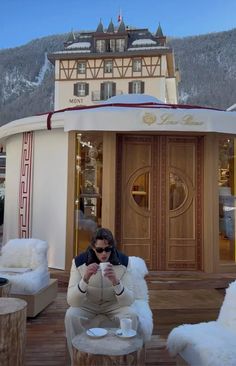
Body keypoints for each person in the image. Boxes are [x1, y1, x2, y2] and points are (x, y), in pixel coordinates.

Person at [65, 227, 138, 360]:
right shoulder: (79, 262)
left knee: (131, 315)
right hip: (89, 304)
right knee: (71, 315)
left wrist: (115, 281)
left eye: (108, 249)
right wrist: (85, 278)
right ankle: (76, 359)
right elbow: (72, 301)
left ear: (112, 248)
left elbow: (129, 301)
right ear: (93, 248)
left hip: (113, 304)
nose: (104, 254)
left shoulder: (124, 262)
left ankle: (126, 358)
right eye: (99, 250)